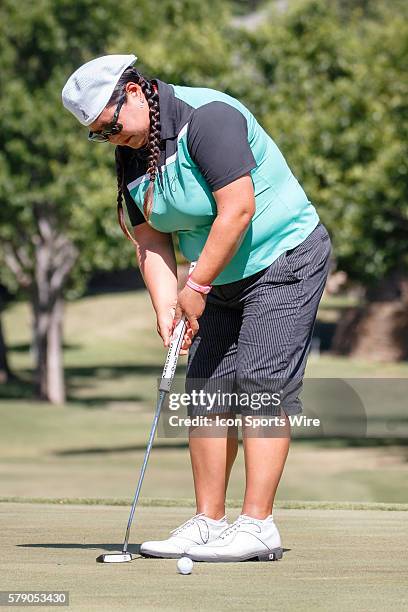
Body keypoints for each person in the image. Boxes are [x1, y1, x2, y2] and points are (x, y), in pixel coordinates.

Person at [62, 54, 332, 563]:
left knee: (258, 382)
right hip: (220, 278)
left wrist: (197, 285)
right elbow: (150, 239)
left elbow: (239, 208)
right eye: (100, 134)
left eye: (113, 125)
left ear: (135, 92)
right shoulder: (133, 153)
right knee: (205, 389)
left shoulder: (208, 118)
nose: (112, 138)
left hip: (285, 258)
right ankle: (209, 523)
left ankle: (258, 526)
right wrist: (168, 307)